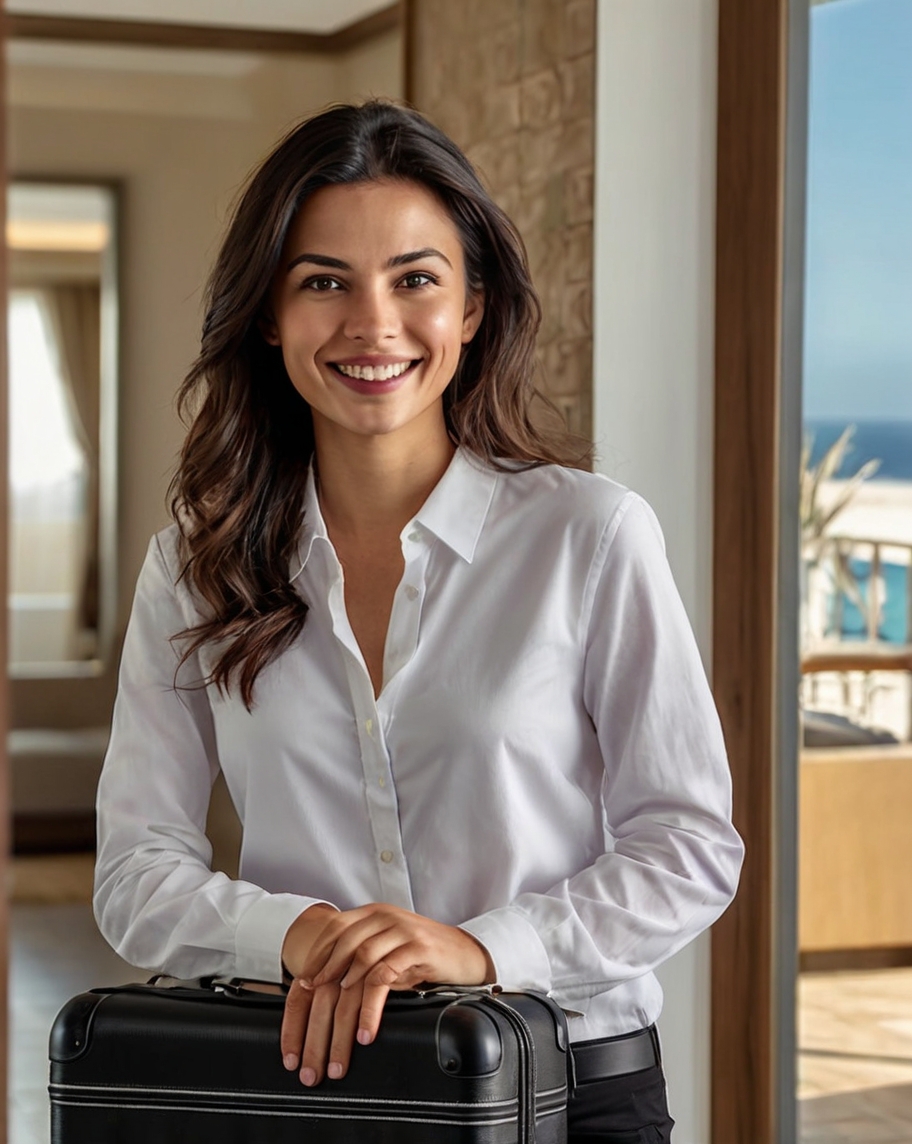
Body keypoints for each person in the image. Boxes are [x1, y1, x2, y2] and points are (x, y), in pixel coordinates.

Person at [94, 99, 744, 1143]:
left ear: (473, 308)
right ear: (269, 312)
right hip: (311, 1092)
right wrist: (301, 934)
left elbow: (688, 845)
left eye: (415, 279)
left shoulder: (590, 535)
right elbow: (134, 875)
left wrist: (480, 949)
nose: (373, 324)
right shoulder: (195, 564)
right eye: (324, 282)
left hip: (572, 1093)